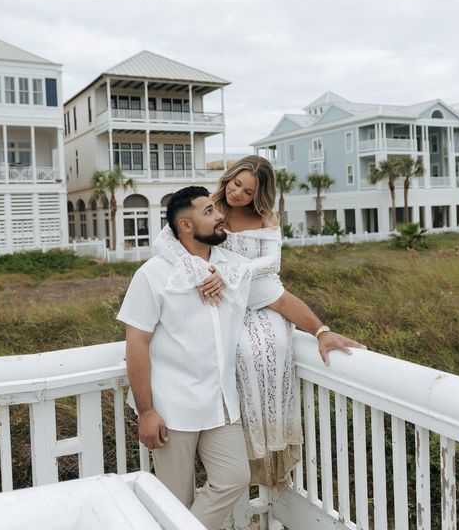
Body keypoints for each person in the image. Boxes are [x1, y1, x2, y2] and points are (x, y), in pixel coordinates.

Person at [153, 156, 365, 487]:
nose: (237, 193)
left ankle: (264, 452)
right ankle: (226, 447)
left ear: (259, 194)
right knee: (234, 352)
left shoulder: (266, 218)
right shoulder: (210, 206)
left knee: (273, 345)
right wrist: (199, 271)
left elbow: (271, 267)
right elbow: (164, 240)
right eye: (236, 184)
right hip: (212, 291)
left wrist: (232, 273)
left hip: (250, 285)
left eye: (248, 191)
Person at [118, 186, 292, 530]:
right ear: (185, 225)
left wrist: (322, 330)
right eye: (209, 212)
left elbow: (278, 296)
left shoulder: (235, 269)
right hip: (171, 406)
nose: (220, 217)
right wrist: (147, 411)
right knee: (174, 498)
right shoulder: (153, 274)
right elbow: (136, 345)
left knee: (234, 478)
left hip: (221, 403)